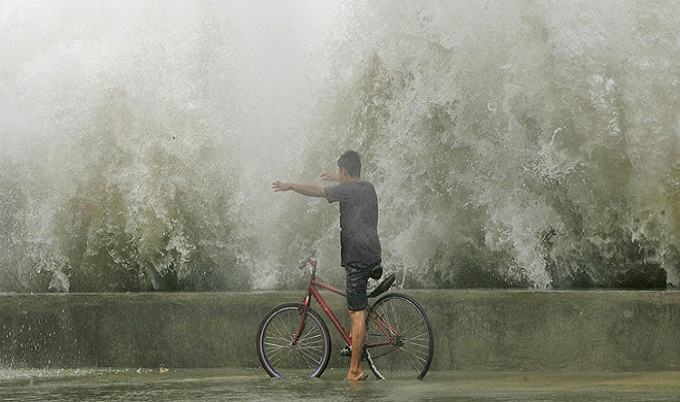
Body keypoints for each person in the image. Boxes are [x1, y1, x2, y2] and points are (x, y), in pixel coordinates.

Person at [272, 150, 382, 381]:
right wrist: (337, 177)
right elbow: (351, 183)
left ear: (344, 171)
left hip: (357, 258)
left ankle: (355, 371)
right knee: (354, 300)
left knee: (356, 313)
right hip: (372, 254)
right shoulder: (367, 187)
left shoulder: (346, 191)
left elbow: (316, 191)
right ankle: (355, 345)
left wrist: (290, 186)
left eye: (340, 172)